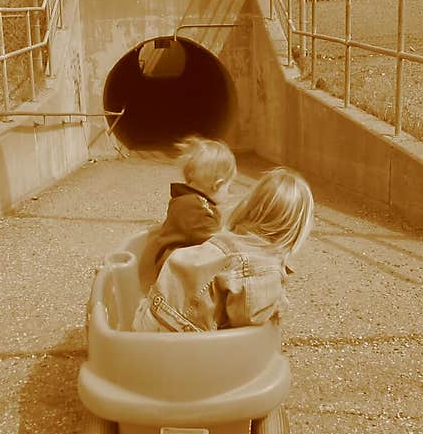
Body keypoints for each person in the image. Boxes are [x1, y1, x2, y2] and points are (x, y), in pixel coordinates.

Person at [133, 166, 314, 333]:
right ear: (296, 229)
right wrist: (275, 306)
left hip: (148, 315)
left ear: (251, 205)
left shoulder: (228, 237)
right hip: (175, 335)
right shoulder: (262, 266)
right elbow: (248, 317)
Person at [137, 135, 237, 291]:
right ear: (217, 185)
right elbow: (218, 248)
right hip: (175, 283)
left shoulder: (184, 200)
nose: (229, 193)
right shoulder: (199, 212)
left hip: (168, 270)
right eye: (228, 187)